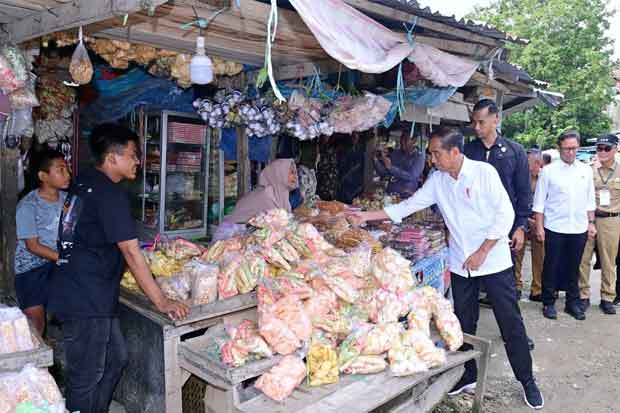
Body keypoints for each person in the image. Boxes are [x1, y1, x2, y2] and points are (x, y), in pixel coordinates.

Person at [349, 128, 543, 410]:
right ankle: (469, 374)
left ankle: (527, 380)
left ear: (454, 152)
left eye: (436, 153)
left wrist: (482, 252)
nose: (432, 158)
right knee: (463, 321)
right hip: (460, 261)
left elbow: (505, 214)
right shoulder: (438, 180)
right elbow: (408, 206)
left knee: (509, 321)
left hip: (492, 260)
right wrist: (365, 216)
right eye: (431, 153)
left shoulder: (483, 173)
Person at [48, 124, 188, 413]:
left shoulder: (86, 180)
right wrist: (161, 301)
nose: (137, 161)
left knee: (115, 359)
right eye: (133, 155)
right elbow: (132, 252)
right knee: (86, 376)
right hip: (86, 299)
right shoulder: (110, 195)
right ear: (112, 158)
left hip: (86, 291)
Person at [465, 99, 531, 300]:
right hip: (473, 224)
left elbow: (523, 192)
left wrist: (520, 226)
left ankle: (507, 321)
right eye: (474, 122)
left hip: (504, 225)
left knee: (503, 283)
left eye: (481, 122)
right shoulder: (468, 151)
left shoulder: (514, 151)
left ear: (495, 120)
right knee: (471, 278)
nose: (476, 127)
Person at [533, 130, 596, 321]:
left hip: (578, 227)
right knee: (551, 265)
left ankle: (572, 303)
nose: (570, 152)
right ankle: (548, 302)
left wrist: (591, 223)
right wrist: (539, 227)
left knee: (573, 266)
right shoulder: (549, 171)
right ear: (559, 148)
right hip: (554, 227)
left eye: (574, 148)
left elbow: (589, 200)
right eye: (566, 148)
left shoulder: (585, 170)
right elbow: (539, 203)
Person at [14, 149, 70, 334]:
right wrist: (65, 258)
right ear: (43, 176)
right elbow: (33, 246)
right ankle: (34, 359)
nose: (67, 173)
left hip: (57, 264)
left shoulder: (69, 201)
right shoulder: (28, 206)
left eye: (67, 168)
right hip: (31, 268)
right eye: (60, 169)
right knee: (35, 324)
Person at [577, 134, 620, 315]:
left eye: (606, 148)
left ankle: (607, 297)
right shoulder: (587, 170)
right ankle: (583, 295)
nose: (602, 151)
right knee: (583, 260)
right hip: (589, 219)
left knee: (609, 261)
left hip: (612, 220)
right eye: (599, 148)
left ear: (615, 149)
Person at [213, 158, 298, 240]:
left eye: (295, 173)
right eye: (291, 173)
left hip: (248, 237)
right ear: (279, 174)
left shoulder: (282, 196)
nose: (295, 177)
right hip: (230, 237)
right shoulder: (266, 196)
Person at [514, 148, 545, 302]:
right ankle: (516, 287)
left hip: (539, 222)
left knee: (539, 257)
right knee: (516, 254)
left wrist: (538, 221)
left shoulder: (546, 178)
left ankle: (537, 289)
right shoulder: (520, 177)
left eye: (527, 163)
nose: (523, 165)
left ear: (538, 163)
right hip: (522, 220)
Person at [374, 129, 426, 198]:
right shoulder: (395, 153)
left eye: (406, 139)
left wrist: (391, 167)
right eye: (401, 138)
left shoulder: (419, 157)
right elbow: (384, 173)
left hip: (406, 198)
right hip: (390, 195)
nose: (402, 141)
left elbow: (411, 176)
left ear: (414, 141)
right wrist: (375, 160)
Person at [316, 135, 339, 201]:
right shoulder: (318, 148)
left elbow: (334, 166)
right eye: (325, 135)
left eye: (327, 136)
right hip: (321, 182)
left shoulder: (331, 149)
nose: (326, 137)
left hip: (329, 183)